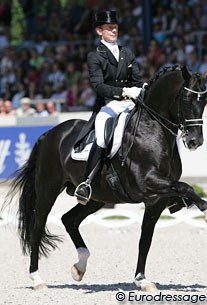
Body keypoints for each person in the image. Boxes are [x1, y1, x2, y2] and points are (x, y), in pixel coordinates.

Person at [75, 10, 144, 204]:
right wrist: (123, 92)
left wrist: (140, 89)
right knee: (103, 136)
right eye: (109, 28)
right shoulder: (95, 56)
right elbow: (98, 86)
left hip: (131, 103)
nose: (114, 30)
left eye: (115, 27)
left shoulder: (126, 53)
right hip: (108, 104)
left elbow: (137, 80)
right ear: (99, 31)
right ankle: (87, 182)